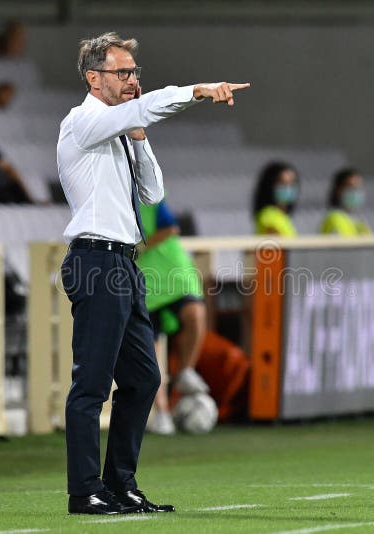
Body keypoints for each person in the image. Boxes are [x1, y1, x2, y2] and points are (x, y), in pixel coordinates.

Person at [57, 31, 249, 515]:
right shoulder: (83, 120)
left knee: (143, 379)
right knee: (92, 385)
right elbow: (142, 110)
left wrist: (140, 139)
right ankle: (84, 491)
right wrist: (196, 90)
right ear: (93, 78)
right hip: (95, 260)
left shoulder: (120, 129)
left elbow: (154, 193)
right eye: (122, 72)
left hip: (123, 263)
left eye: (134, 72)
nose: (132, 80)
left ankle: (120, 484)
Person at [137, 199, 209, 436]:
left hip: (172, 271)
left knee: (195, 314)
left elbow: (170, 228)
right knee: (151, 349)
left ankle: (185, 371)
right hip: (143, 280)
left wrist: (138, 247)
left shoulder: (148, 196)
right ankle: (162, 412)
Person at [321, 167, 371, 236]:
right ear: (338, 190)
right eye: (351, 187)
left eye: (358, 187)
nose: (355, 192)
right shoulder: (334, 219)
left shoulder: (358, 220)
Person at [252, 161, 299, 236]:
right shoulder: (269, 216)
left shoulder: (283, 216)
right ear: (270, 185)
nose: (288, 188)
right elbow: (275, 245)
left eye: (292, 183)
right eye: (283, 183)